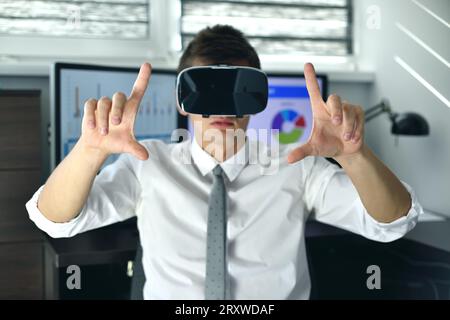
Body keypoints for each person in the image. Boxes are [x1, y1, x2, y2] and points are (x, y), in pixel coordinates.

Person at [26, 25, 423, 300]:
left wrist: (354, 156)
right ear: (184, 100)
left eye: (237, 88)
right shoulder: (146, 163)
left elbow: (390, 224)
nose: (221, 106)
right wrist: (90, 151)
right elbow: (55, 220)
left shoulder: (295, 165)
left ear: (257, 97)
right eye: (206, 88)